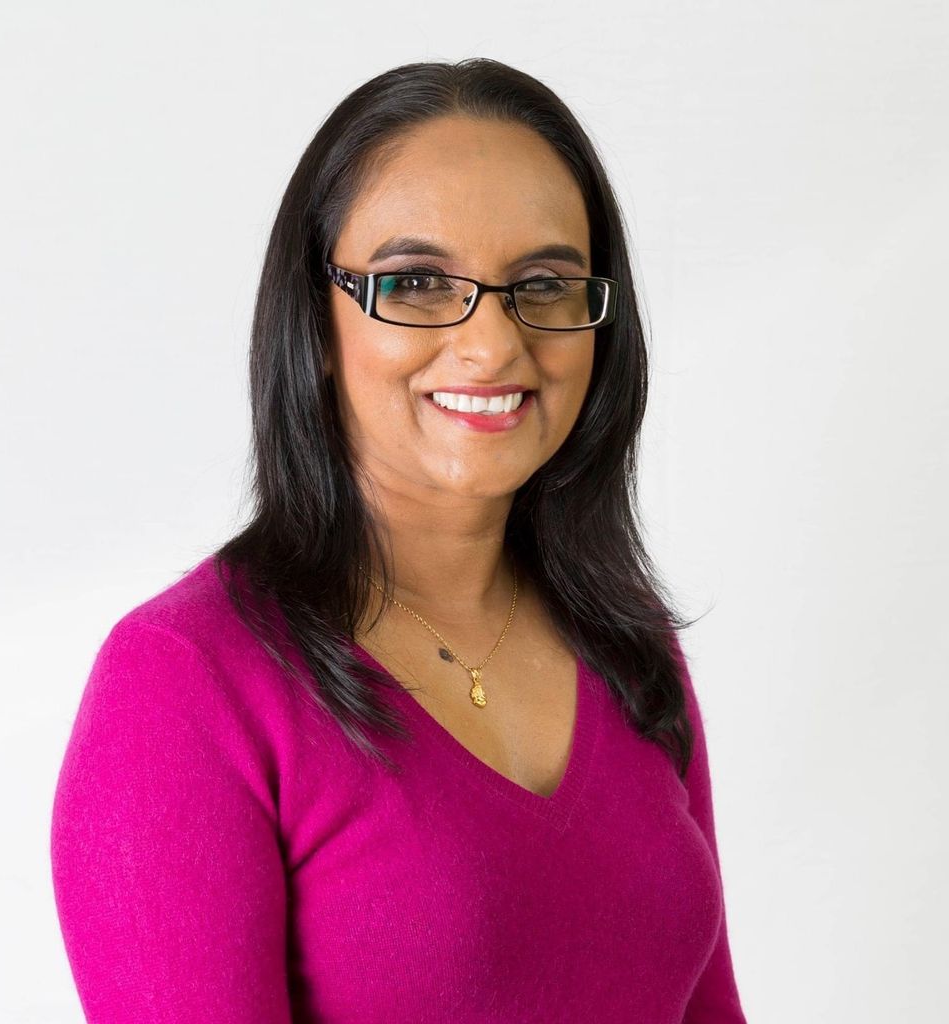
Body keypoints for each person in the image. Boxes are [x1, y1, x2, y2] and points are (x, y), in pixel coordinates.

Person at [50, 58, 748, 1023]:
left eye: (544, 284)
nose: (493, 345)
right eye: (416, 282)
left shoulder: (631, 647)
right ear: (315, 319)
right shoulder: (184, 683)